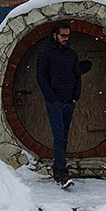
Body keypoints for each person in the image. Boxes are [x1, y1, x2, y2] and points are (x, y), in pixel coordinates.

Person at [36, 21, 81, 184]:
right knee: (59, 137)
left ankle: (58, 167)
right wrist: (51, 97)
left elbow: (77, 75)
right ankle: (62, 172)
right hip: (54, 101)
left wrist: (76, 95)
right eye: (63, 35)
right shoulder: (45, 54)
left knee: (64, 136)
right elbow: (41, 77)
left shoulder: (71, 54)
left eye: (68, 36)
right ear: (55, 35)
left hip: (69, 101)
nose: (65, 38)